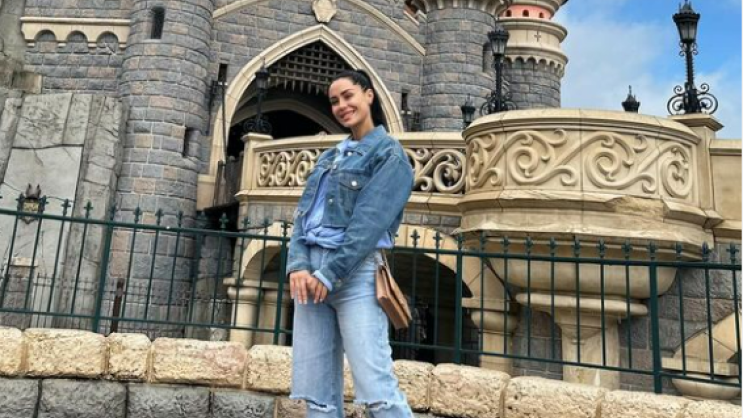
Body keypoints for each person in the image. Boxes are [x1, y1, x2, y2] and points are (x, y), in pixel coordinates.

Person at [286, 69, 415, 418]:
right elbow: (302, 218)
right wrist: (298, 265)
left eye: (348, 96)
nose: (341, 105)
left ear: (368, 95)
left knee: (377, 391)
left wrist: (329, 273)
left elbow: (367, 227)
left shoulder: (389, 156)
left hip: (354, 276)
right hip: (310, 278)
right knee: (317, 396)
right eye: (334, 101)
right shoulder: (329, 157)